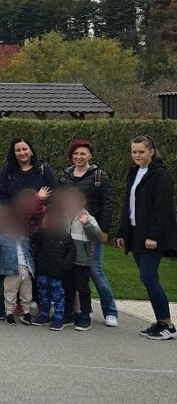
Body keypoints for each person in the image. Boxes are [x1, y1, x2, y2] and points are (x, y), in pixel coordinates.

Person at [116, 135, 177, 341]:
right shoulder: (134, 173)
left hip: (151, 237)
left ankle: (167, 324)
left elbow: (163, 209)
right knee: (148, 278)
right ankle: (161, 322)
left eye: (141, 151)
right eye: (134, 152)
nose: (137, 155)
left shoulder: (161, 175)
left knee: (149, 277)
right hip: (135, 234)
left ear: (151, 151)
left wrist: (154, 236)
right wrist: (122, 232)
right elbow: (128, 204)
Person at [58, 138, 117, 327]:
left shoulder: (99, 176)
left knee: (94, 270)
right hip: (69, 230)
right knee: (71, 272)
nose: (79, 157)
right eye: (75, 153)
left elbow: (107, 203)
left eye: (83, 153)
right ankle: (77, 310)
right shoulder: (66, 174)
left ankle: (110, 311)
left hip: (90, 229)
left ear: (90, 155)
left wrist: (105, 230)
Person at [0, 206, 34, 326]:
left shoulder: (21, 237)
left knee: (17, 291)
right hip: (1, 267)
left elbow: (29, 250)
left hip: (19, 269)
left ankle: (18, 312)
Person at [58, 186, 102, 331]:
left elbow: (97, 236)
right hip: (66, 259)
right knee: (67, 287)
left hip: (81, 259)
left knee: (82, 288)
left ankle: (85, 315)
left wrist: (86, 224)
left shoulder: (87, 217)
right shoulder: (62, 216)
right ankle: (68, 313)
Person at [29, 212, 76, 331]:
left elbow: (72, 253)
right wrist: (43, 227)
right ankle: (44, 315)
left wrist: (64, 266)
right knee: (44, 295)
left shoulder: (66, 237)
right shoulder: (42, 234)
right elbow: (32, 238)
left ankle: (58, 317)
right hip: (43, 271)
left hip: (57, 273)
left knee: (58, 296)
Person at [0, 137, 56, 205]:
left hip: (41, 213)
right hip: (14, 214)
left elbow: (52, 193)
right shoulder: (6, 172)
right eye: (18, 150)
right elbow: (2, 195)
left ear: (31, 151)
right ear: (14, 154)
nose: (22, 153)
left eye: (24, 149)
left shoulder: (44, 169)